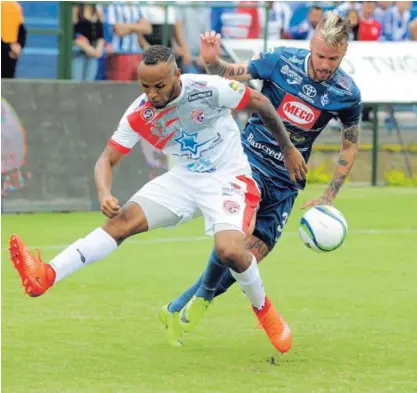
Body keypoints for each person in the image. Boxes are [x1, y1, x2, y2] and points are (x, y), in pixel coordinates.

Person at [9, 45, 307, 353]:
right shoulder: (140, 113)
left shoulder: (207, 88)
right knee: (122, 220)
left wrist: (287, 149)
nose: (152, 94)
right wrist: (104, 192)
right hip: (184, 179)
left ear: (177, 74)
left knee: (230, 250)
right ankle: (46, 275)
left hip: (228, 178)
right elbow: (106, 160)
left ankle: (264, 311)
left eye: (159, 86)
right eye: (145, 86)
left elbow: (259, 101)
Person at [162, 11, 362, 349]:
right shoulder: (281, 61)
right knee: (237, 237)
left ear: (344, 54)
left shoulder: (346, 93)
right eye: (321, 56)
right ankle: (201, 301)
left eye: (334, 58)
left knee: (247, 261)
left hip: (288, 181)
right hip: (248, 161)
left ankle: (178, 306)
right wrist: (212, 61)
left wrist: (330, 194)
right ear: (311, 45)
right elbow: (228, 75)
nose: (326, 64)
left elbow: (350, 142)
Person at [1, 1, 26, 79]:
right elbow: (22, 30)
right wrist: (18, 46)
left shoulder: (15, 7)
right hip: (11, 50)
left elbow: (21, 29)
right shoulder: (16, 6)